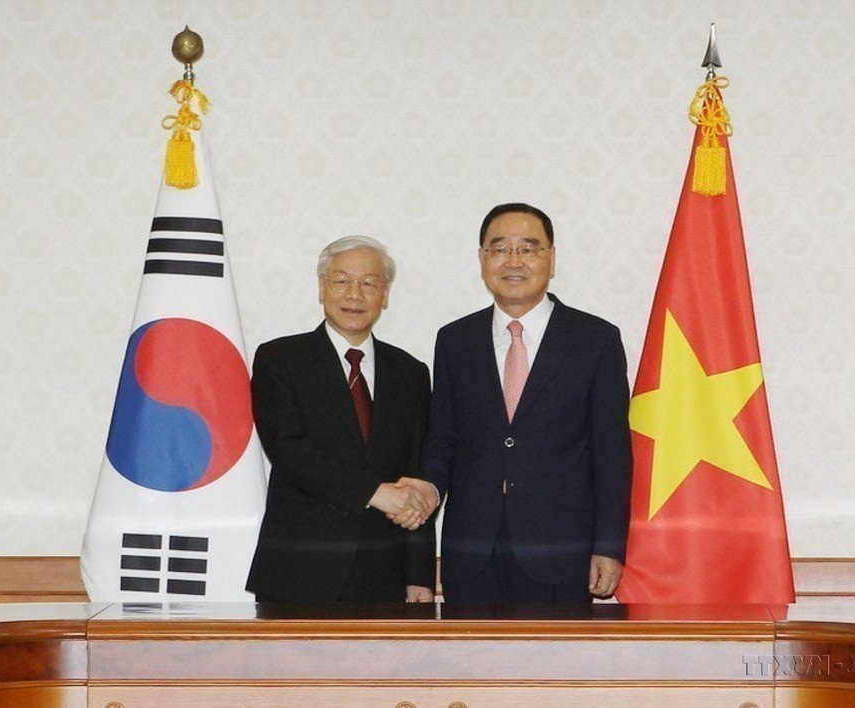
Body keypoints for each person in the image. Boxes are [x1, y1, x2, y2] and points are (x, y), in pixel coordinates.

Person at [399, 203, 633, 603]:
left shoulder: (595, 340)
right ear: (482, 259)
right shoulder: (455, 340)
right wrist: (428, 490)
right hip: (471, 550)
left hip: (561, 551)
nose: (514, 261)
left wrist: (609, 546)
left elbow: (612, 454)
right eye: (500, 248)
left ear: (551, 258)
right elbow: (443, 440)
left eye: (528, 248)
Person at [246, 236, 435, 603]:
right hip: (299, 570)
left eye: (369, 283)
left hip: (386, 573)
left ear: (385, 294)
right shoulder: (280, 359)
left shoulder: (410, 372)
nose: (354, 294)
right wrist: (373, 492)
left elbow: (418, 471)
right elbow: (289, 452)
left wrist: (419, 574)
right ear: (322, 287)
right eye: (342, 280)